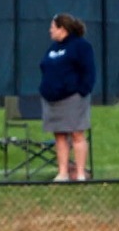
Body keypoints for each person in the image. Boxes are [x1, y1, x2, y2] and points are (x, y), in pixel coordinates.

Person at [40, 13, 96, 181]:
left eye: (52, 27)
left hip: (73, 99)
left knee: (77, 134)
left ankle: (79, 174)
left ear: (62, 29)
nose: (50, 30)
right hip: (52, 99)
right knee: (59, 136)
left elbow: (89, 71)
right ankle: (62, 173)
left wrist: (82, 90)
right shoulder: (53, 48)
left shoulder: (81, 46)